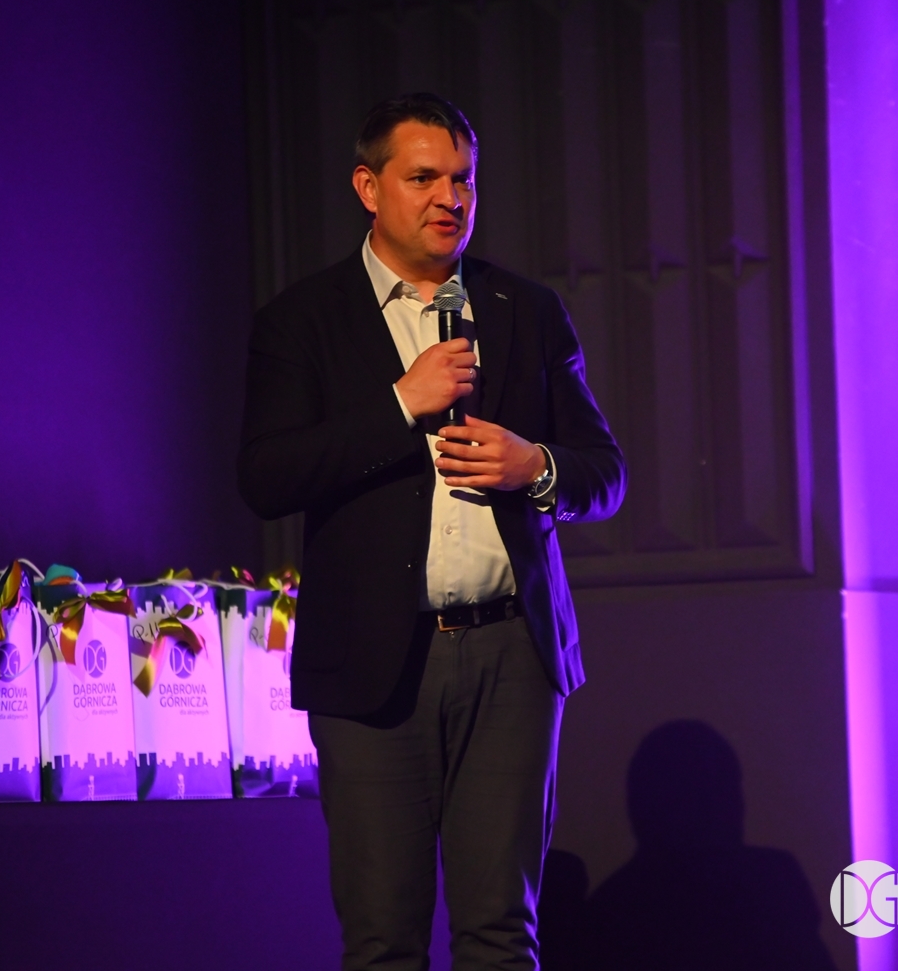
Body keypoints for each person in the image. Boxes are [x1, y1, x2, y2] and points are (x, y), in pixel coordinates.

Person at [236, 92, 625, 970]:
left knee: (502, 936)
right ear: (368, 187)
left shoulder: (525, 309)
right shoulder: (304, 320)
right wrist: (400, 405)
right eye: (424, 178)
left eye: (463, 179)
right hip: (375, 663)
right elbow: (265, 477)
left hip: (512, 656)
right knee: (385, 941)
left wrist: (536, 467)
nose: (450, 198)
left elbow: (605, 473)